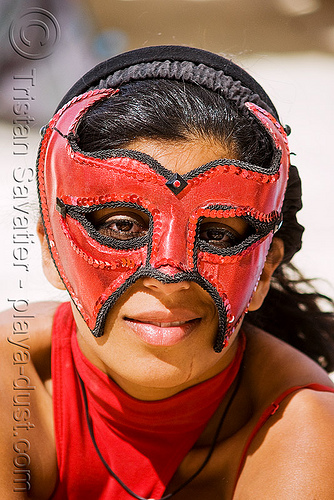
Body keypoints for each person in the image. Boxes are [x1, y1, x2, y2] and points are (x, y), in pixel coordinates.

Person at [1, 45, 334, 500]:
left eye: (216, 235)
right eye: (121, 227)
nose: (169, 271)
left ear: (264, 270)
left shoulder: (307, 434)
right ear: (49, 248)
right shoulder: (10, 386)